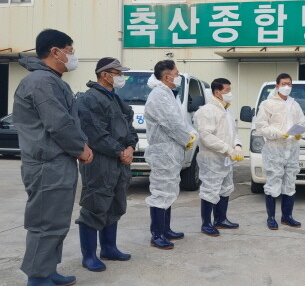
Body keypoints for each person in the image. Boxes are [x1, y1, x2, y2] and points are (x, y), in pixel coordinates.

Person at [13, 29, 93, 286]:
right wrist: (80, 148)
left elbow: (68, 120)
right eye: (70, 50)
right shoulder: (41, 82)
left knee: (56, 220)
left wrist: (81, 145)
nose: (73, 56)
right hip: (47, 164)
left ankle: (48, 270)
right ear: (55, 51)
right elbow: (58, 124)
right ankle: (37, 278)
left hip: (57, 162)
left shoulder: (52, 80)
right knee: (45, 223)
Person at [75, 57, 138, 271]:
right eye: (118, 73)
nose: (121, 77)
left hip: (120, 161)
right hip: (100, 161)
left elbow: (129, 126)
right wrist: (120, 150)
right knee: (95, 204)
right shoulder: (90, 99)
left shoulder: (116, 99)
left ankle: (109, 248)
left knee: (115, 203)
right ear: (105, 74)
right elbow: (95, 133)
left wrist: (130, 147)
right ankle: (89, 255)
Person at [144, 60, 197, 250]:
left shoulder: (167, 94)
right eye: (177, 73)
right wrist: (186, 138)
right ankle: (156, 235)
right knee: (161, 192)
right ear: (167, 77)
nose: (179, 77)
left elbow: (180, 121)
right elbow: (171, 123)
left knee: (169, 190)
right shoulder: (159, 96)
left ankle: (166, 229)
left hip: (170, 150)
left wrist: (190, 134)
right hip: (163, 151)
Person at [255, 73, 305, 230]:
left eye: (289, 84)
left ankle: (287, 216)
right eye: (284, 84)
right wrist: (278, 133)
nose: (287, 87)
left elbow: (301, 121)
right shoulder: (267, 104)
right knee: (273, 181)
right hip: (275, 148)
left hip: (292, 148)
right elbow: (261, 126)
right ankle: (271, 218)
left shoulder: (294, 104)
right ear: (277, 86)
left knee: (290, 181)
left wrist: (299, 132)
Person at [194, 78, 243, 236]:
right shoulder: (206, 111)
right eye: (227, 90)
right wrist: (228, 149)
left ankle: (221, 219)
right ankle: (206, 224)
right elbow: (206, 136)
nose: (230, 93)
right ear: (217, 92)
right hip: (212, 158)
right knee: (210, 189)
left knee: (225, 188)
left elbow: (233, 132)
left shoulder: (227, 111)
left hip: (226, 158)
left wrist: (237, 146)